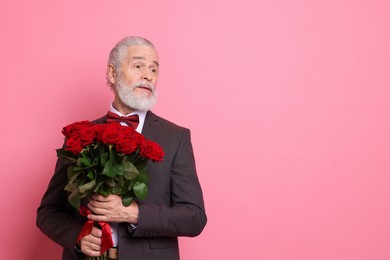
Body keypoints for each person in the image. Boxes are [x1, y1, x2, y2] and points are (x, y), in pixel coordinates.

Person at [37, 36, 207, 260]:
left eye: (154, 70)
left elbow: (194, 217)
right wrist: (77, 237)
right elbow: (48, 212)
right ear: (112, 73)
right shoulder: (79, 136)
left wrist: (133, 213)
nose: (147, 75)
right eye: (138, 66)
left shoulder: (176, 138)